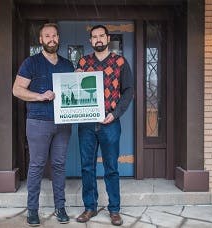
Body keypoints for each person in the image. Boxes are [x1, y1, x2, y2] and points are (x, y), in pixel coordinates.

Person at [12, 23, 74, 226]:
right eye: (47, 36)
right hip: (38, 122)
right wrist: (40, 96)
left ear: (58, 38)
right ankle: (32, 210)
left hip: (63, 124)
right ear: (41, 40)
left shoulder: (67, 65)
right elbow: (17, 90)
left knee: (58, 165)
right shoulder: (31, 63)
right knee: (37, 166)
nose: (51, 39)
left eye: (54, 35)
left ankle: (60, 207)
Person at [75, 25, 134, 226]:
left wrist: (115, 114)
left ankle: (114, 209)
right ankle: (89, 207)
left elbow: (128, 92)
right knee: (87, 167)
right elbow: (76, 91)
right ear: (90, 41)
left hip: (110, 123)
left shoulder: (120, 61)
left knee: (111, 168)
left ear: (108, 38)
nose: (98, 39)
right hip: (87, 124)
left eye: (101, 36)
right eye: (94, 37)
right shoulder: (83, 62)